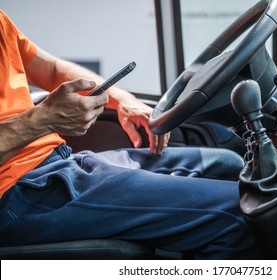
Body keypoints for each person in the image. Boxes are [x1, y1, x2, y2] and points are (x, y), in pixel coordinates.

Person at [0, 10, 260, 259]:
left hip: (52, 163)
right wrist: (42, 119)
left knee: (227, 164)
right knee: (240, 213)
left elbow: (52, 69)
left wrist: (123, 99)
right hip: (15, 193)